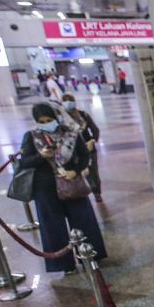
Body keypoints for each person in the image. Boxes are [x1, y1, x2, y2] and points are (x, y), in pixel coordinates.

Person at [18, 102, 107, 275]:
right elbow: (24, 162)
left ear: (56, 117)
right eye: (42, 121)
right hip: (46, 189)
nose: (46, 123)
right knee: (52, 226)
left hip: (72, 184)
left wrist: (76, 171)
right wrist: (41, 156)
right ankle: (64, 264)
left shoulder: (71, 134)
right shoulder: (31, 137)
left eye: (49, 119)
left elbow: (84, 155)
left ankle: (91, 255)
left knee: (83, 220)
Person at [61, 93, 103, 202]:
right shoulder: (61, 118)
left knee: (92, 172)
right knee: (73, 172)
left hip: (88, 149)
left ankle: (96, 192)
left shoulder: (83, 115)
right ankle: (77, 193)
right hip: (71, 151)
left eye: (70, 100)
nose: (68, 103)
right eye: (65, 101)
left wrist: (92, 141)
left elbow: (95, 130)